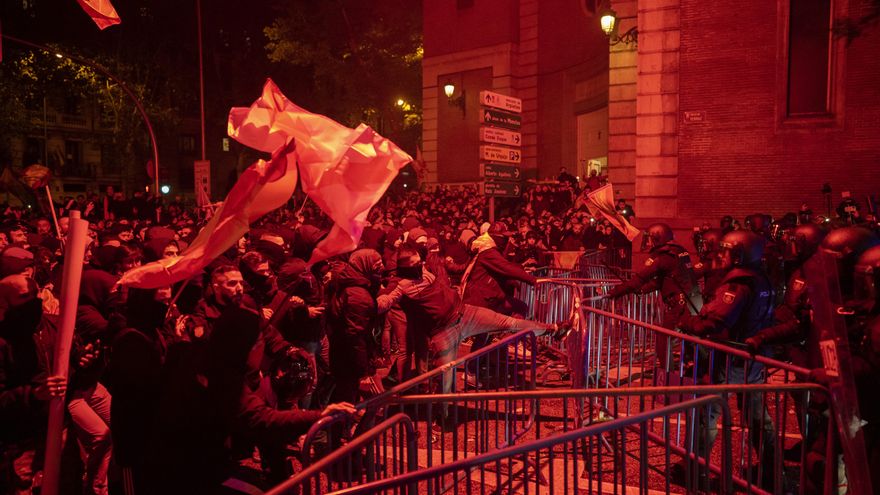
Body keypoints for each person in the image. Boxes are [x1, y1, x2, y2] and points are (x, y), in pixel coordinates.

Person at [677, 230, 777, 489]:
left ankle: (695, 473)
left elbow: (717, 320)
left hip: (730, 360)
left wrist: (688, 322)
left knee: (705, 413)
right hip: (753, 359)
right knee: (758, 418)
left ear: (741, 254)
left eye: (728, 250)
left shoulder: (739, 284)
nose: (722, 255)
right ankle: (773, 474)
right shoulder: (761, 277)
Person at [605, 223, 702, 368]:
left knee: (664, 337)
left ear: (658, 238)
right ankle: (697, 370)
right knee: (695, 339)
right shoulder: (680, 252)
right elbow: (664, 280)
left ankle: (667, 374)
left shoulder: (662, 257)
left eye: (650, 239)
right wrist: (643, 290)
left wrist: (615, 292)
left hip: (680, 305)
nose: (648, 243)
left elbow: (639, 278)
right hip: (693, 300)